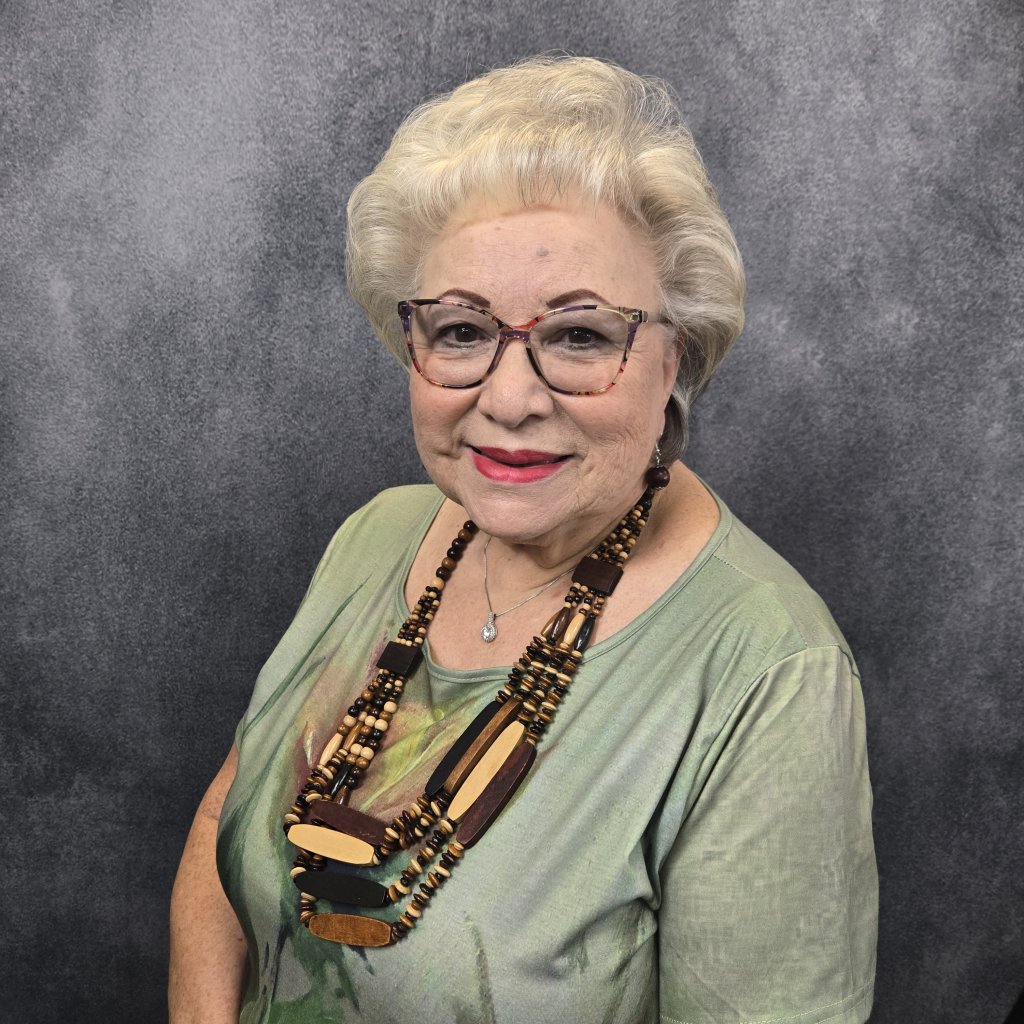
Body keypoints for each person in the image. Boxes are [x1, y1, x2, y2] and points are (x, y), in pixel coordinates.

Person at [169, 56, 877, 1024]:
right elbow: (232, 816)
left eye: (581, 336)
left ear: (676, 354)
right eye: (462, 331)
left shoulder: (768, 671)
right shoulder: (379, 535)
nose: (508, 399)